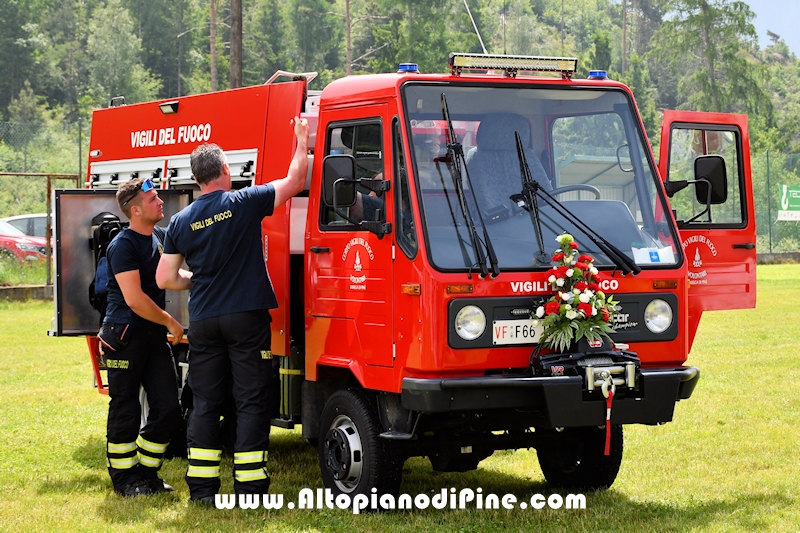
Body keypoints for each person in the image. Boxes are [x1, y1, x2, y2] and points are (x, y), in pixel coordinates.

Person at [156, 117, 309, 504]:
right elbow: (294, 181)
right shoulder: (242, 202)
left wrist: (199, 279)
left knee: (205, 402)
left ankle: (204, 491)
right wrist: (302, 140)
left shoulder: (180, 221)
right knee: (251, 400)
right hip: (245, 317)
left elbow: (165, 278)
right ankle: (250, 489)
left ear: (196, 179)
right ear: (225, 171)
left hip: (205, 319)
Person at [100, 177, 185, 497]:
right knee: (126, 409)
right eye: (152, 199)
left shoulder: (160, 237)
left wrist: (207, 281)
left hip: (151, 335)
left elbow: (172, 278)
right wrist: (171, 323)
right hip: (125, 335)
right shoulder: (122, 245)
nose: (160, 201)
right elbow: (134, 298)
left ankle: (147, 473)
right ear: (135, 210)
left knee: (168, 409)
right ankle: (124, 480)